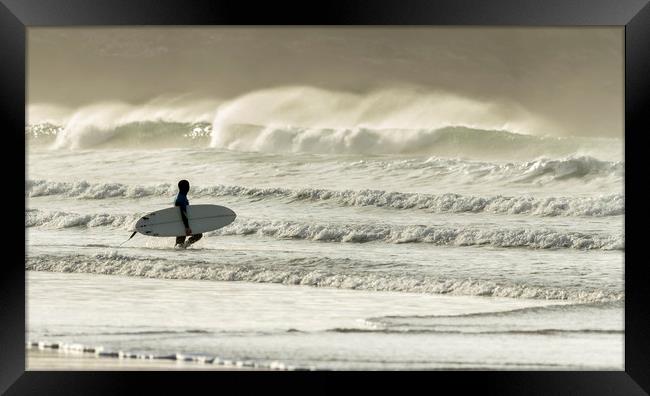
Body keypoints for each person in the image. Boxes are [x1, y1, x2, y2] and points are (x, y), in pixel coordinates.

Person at [174, 179, 202, 248]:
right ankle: (185, 246)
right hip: (183, 223)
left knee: (179, 243)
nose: (189, 187)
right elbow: (183, 213)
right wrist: (187, 227)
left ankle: (181, 249)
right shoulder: (181, 199)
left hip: (179, 222)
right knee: (198, 235)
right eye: (188, 186)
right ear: (186, 188)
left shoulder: (179, 196)